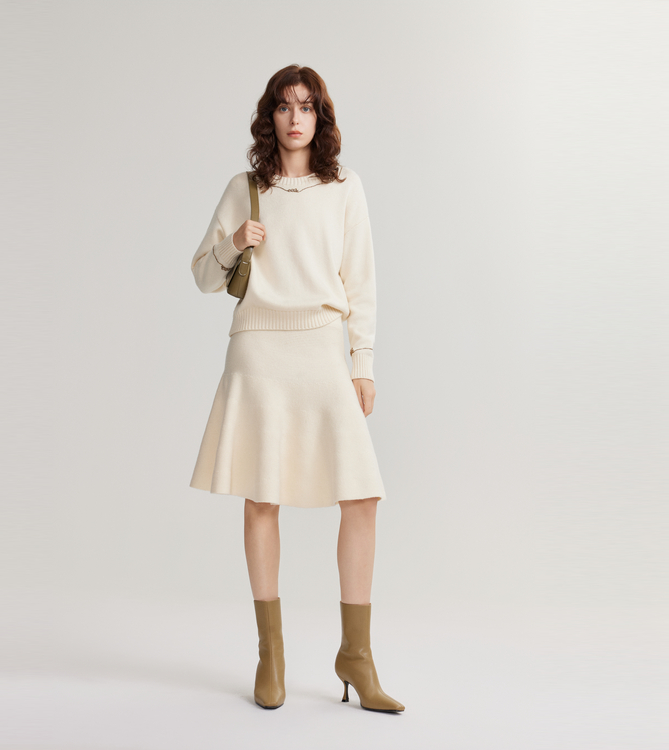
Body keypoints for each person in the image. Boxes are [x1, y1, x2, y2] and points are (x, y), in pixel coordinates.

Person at [189, 65, 404, 713]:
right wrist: (234, 242)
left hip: (321, 349)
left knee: (361, 496)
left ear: (320, 117)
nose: (295, 117)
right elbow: (203, 276)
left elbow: (361, 280)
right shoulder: (245, 189)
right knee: (263, 498)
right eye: (284, 106)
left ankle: (356, 655)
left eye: (306, 106)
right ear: (270, 117)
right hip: (258, 353)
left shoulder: (344, 187)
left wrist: (362, 362)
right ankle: (271, 655)